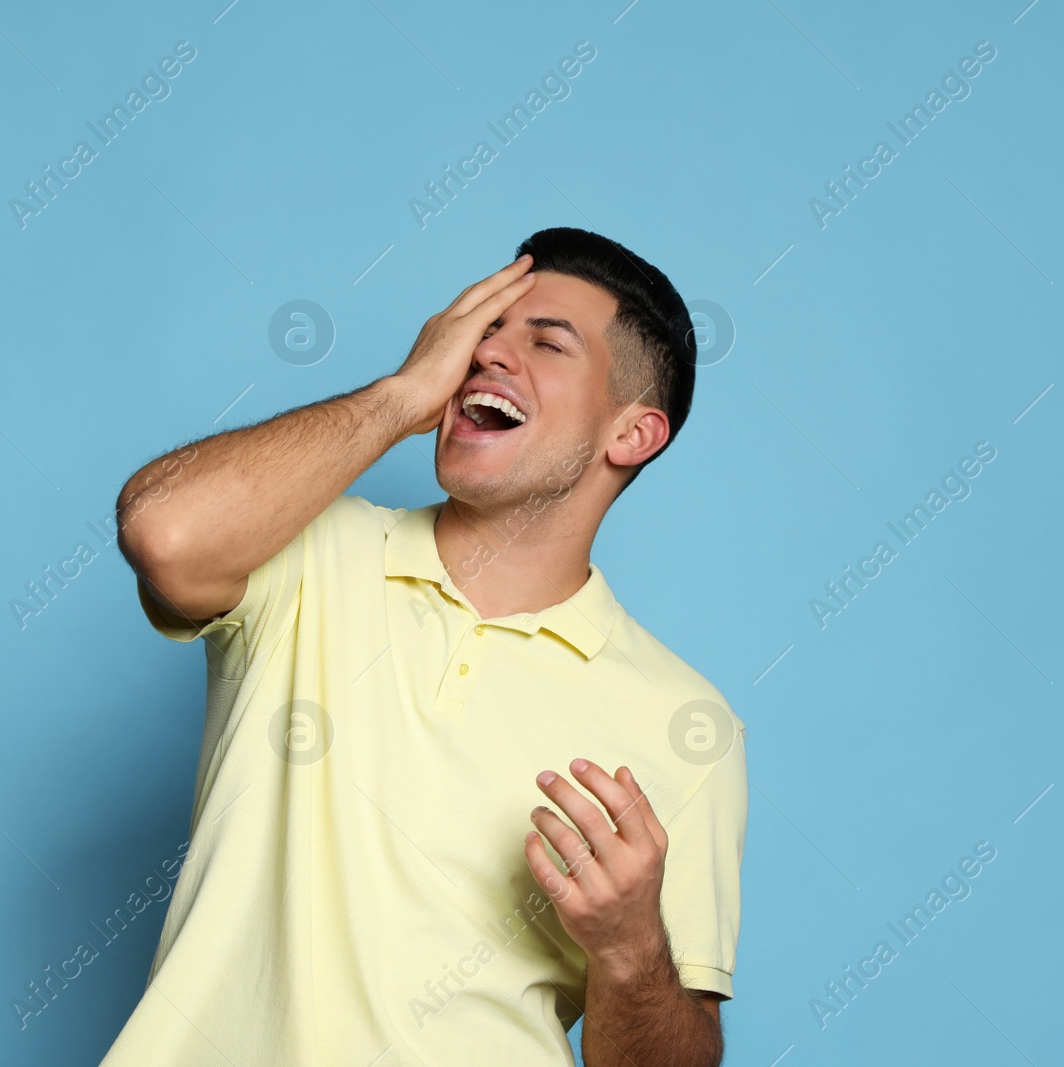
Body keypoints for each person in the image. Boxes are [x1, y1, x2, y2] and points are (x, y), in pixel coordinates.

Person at [102, 227, 747, 1066]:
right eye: (481, 331)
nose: (487, 356)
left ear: (631, 434)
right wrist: (403, 394)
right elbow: (162, 530)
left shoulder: (687, 722)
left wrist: (630, 951)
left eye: (545, 341)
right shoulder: (306, 550)